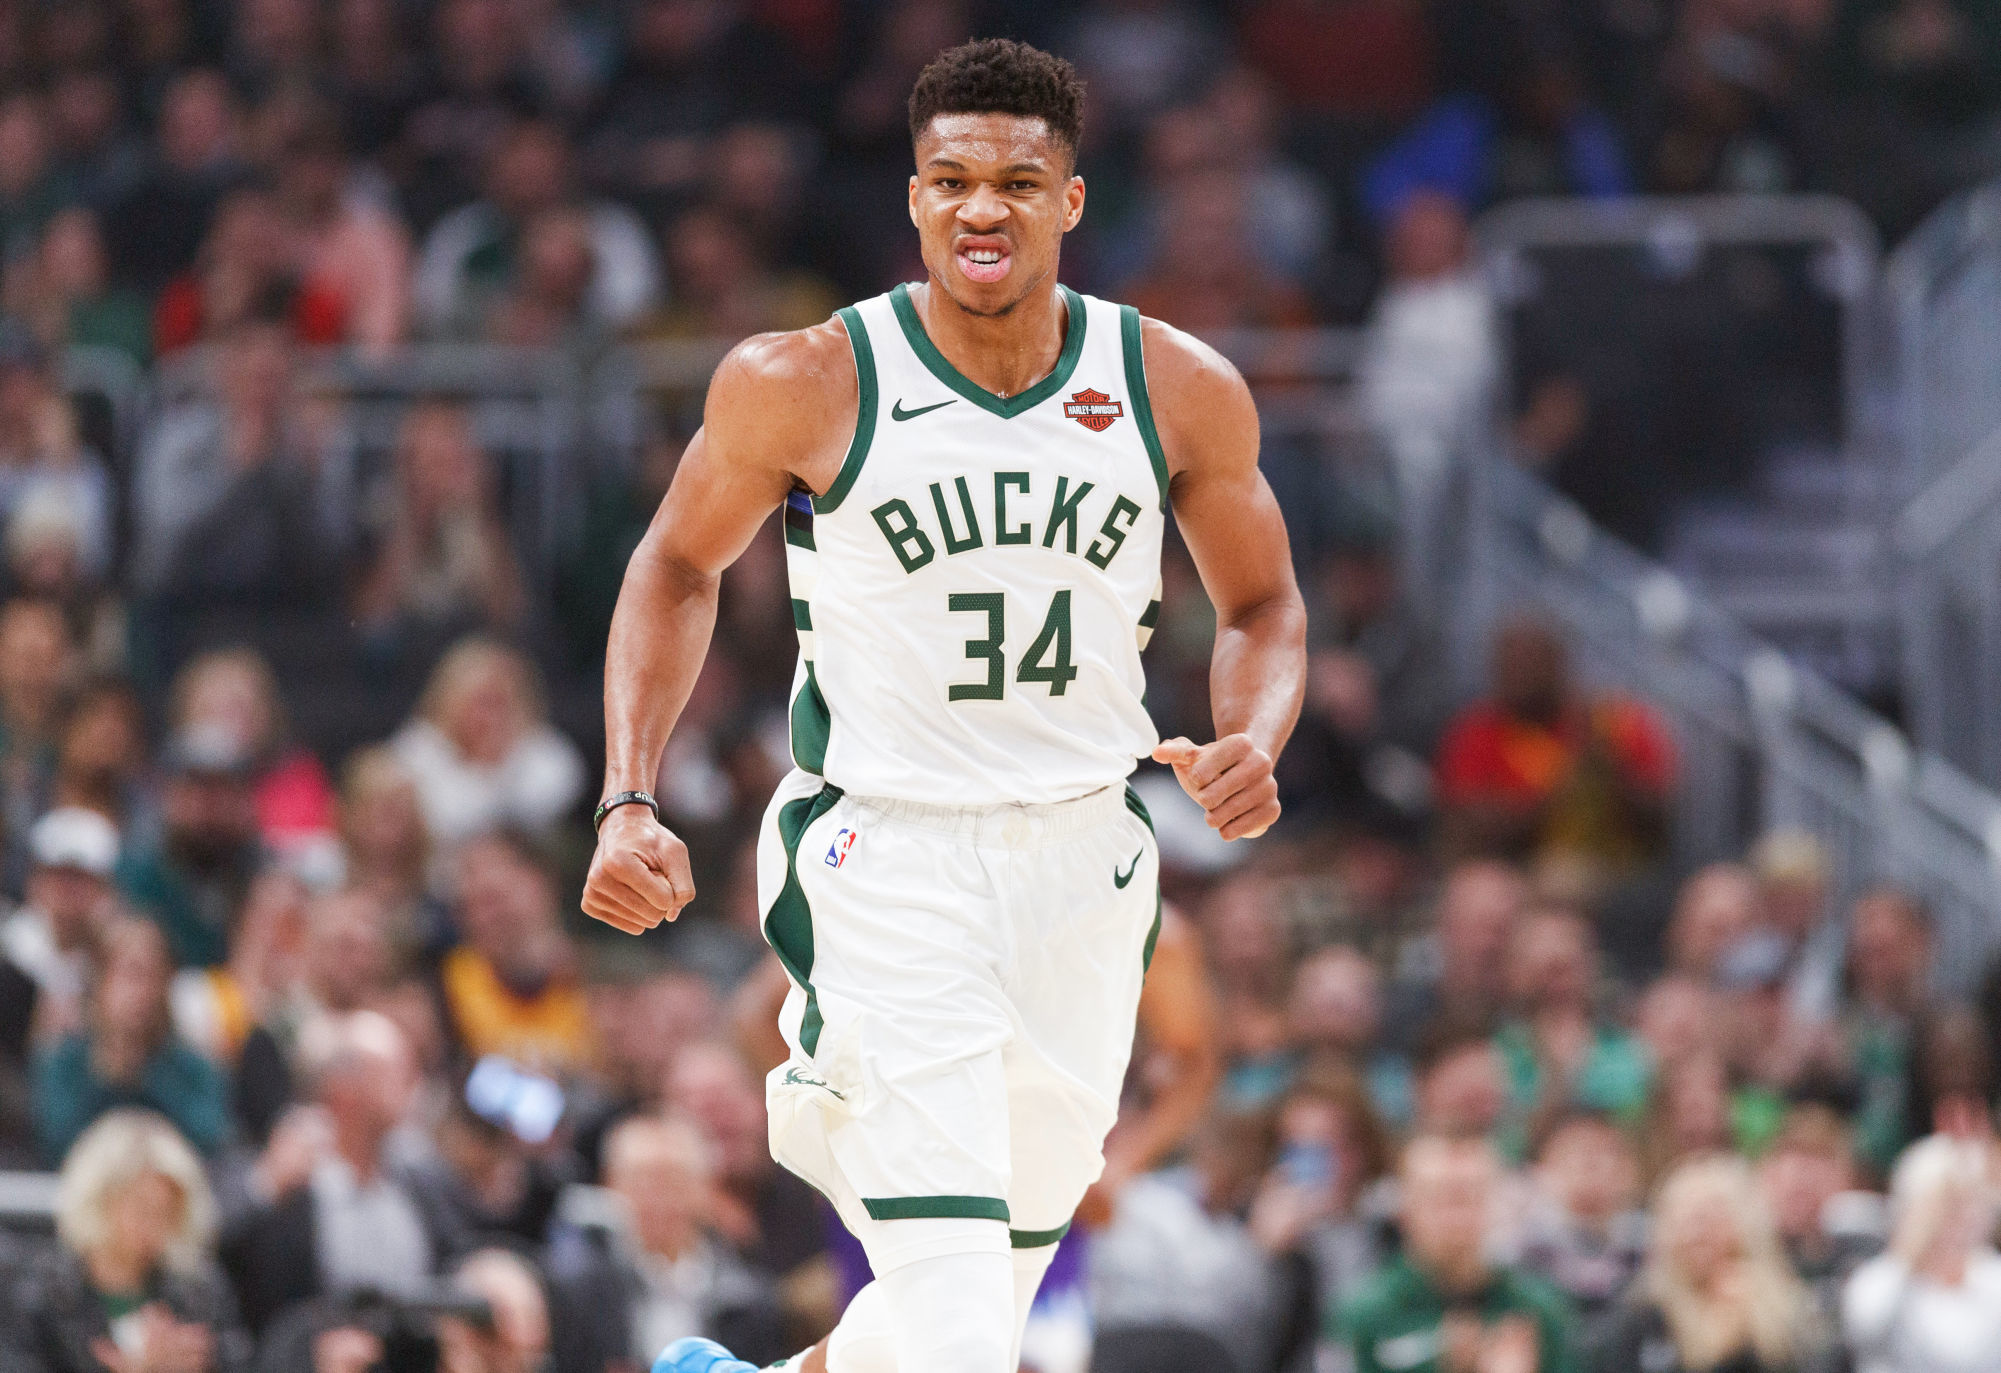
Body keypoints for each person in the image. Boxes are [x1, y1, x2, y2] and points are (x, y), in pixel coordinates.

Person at [584, 37, 1306, 1373]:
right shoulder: (806, 378)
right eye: (953, 179)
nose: (983, 207)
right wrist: (629, 794)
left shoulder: (1174, 386)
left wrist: (1254, 736)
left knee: (962, 1307)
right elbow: (674, 565)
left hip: (1086, 864)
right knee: (965, 1331)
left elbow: (1263, 603)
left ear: (1070, 201)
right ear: (914, 198)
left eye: (1018, 183)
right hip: (890, 859)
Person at [2, 1109, 252, 1373]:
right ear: (100, 1200)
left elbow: (238, 1361)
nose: (152, 1226)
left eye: (165, 1211)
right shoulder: (38, 1293)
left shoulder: (198, 1291)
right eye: (141, 1208)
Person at [1332, 1132, 1578, 1373]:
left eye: (1471, 1196)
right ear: (1405, 1209)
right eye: (1442, 1198)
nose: (1457, 1217)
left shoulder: (1538, 1310)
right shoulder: (1366, 1315)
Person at [1596, 1153, 1825, 1373]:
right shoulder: (1640, 1317)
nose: (1695, 1233)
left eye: (1708, 1217)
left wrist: (1744, 1336)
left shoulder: (1788, 1313)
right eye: (1683, 1218)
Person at [33, 918, 229, 1164]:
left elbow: (207, 1139)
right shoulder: (64, 1063)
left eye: (154, 978)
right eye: (131, 976)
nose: (142, 993)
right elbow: (57, 1140)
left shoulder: (195, 1068)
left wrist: (146, 1074)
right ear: (100, 982)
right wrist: (107, 1073)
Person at [389, 637, 586, 850]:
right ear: (451, 700)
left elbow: (550, 800)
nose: (491, 717)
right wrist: (484, 769)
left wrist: (502, 763)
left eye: (501, 703)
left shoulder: (543, 749)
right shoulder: (418, 749)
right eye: (482, 702)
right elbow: (442, 821)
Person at [1843, 1133, 2001, 1373]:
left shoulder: (1992, 1274)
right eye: (1947, 1204)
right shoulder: (1879, 1280)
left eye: (1969, 1201)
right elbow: (1865, 1331)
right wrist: (1912, 1252)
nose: (1962, 1217)